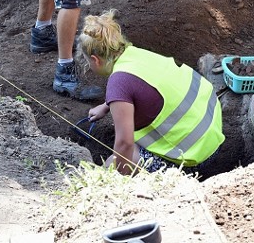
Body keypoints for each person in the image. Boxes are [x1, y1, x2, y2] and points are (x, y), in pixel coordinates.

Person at [77, 10, 225, 175]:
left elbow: (125, 143)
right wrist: (106, 105)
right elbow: (140, 86)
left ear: (95, 60)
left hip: (193, 160)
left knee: (112, 165)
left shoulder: (118, 83)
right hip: (214, 138)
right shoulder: (137, 55)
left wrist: (118, 180)